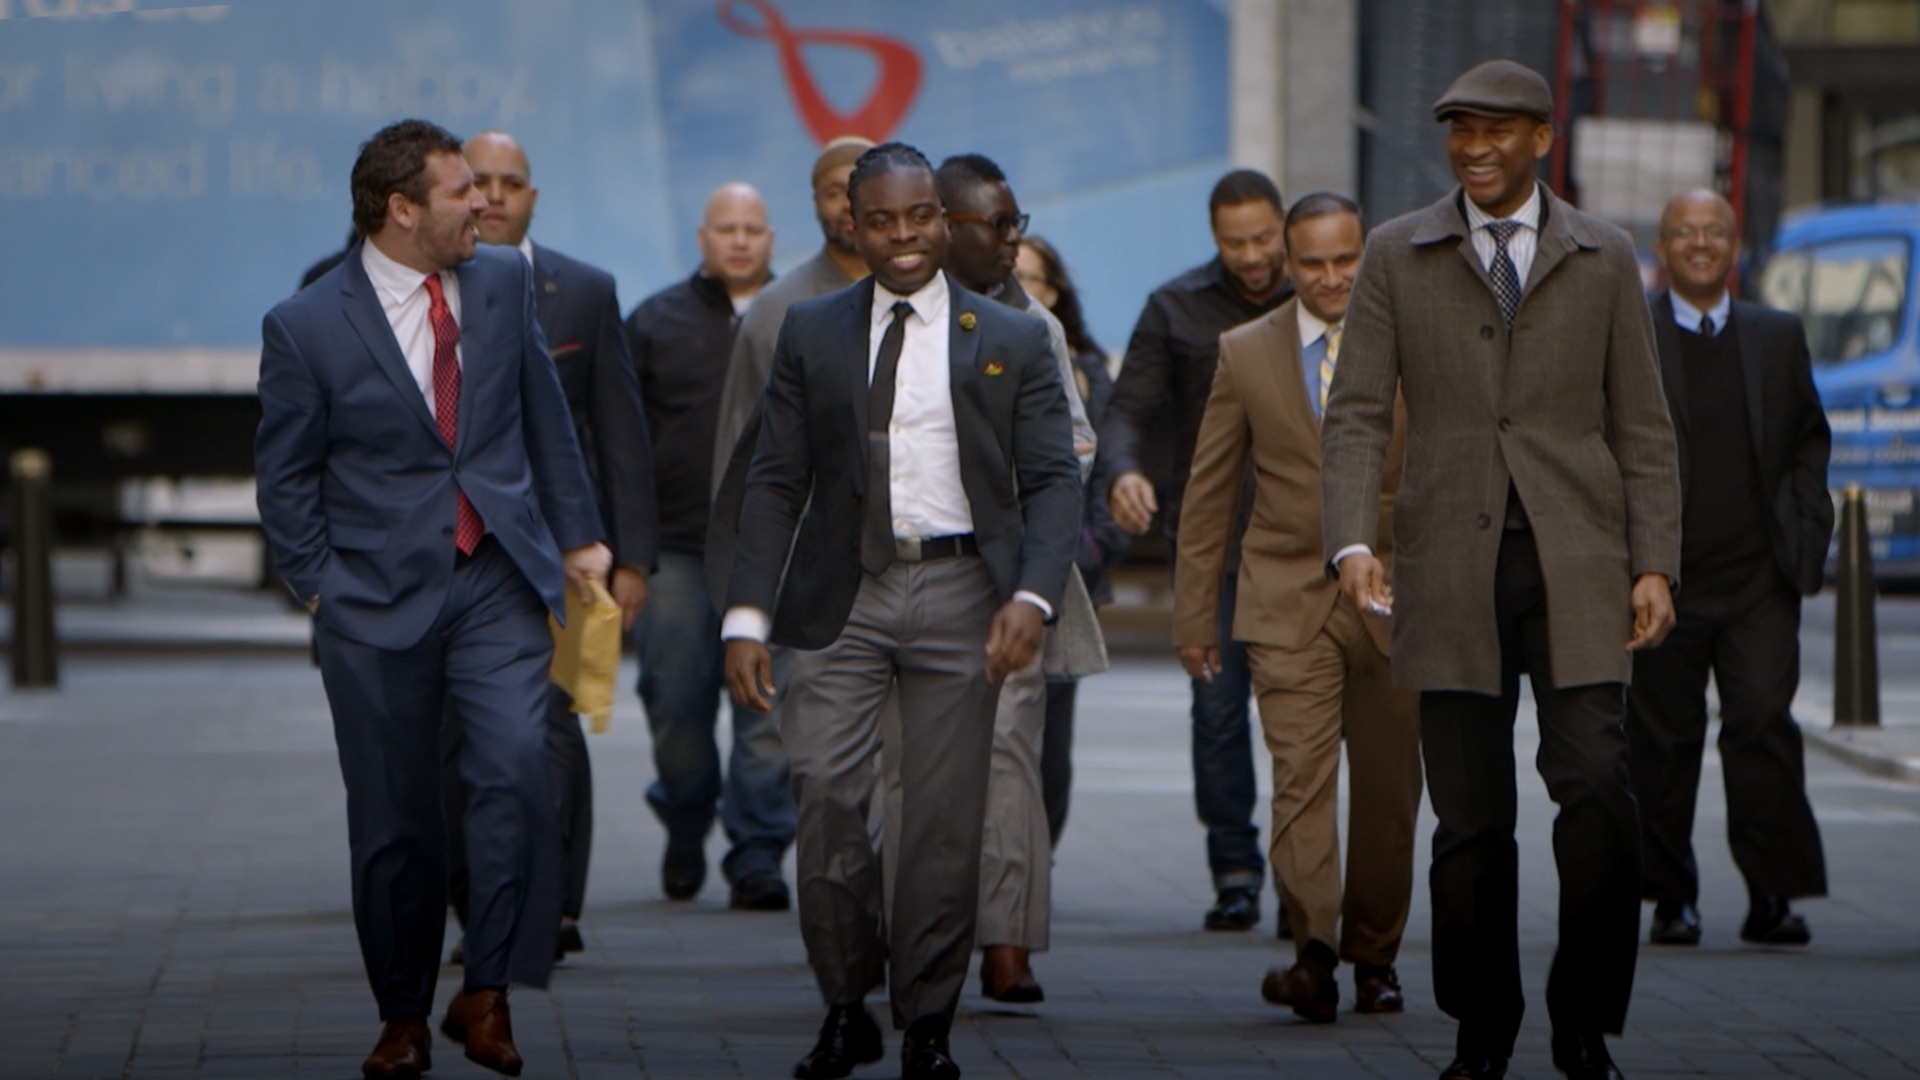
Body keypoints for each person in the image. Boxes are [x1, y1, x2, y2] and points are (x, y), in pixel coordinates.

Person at [1320, 59, 1681, 1080]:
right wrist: (1353, 541)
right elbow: (1354, 414)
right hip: (1446, 567)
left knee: (1600, 790)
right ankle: (1482, 1030)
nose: (1474, 148)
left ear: (1540, 140)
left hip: (1582, 564)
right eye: (1459, 131)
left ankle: (1584, 1022)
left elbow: (1644, 427)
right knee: (1470, 820)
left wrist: (1655, 562)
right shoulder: (1398, 251)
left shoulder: (1605, 255)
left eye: (1496, 131)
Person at [254, 118, 612, 1080]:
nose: (484, 204)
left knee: (514, 773)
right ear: (401, 209)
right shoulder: (307, 323)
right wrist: (321, 588)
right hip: (370, 602)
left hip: (495, 575)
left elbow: (546, 416)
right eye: (461, 193)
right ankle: (403, 1014)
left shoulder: (499, 284)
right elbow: (285, 476)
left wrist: (579, 539)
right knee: (394, 820)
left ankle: (486, 991)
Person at [720, 143, 1081, 1080]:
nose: (904, 237)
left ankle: (927, 1022)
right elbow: (772, 481)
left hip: (965, 592)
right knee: (828, 797)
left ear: (942, 216)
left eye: (919, 217)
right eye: (881, 220)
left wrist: (1032, 596)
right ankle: (847, 1004)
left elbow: (1051, 482)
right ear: (853, 222)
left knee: (942, 824)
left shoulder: (1011, 337)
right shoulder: (809, 330)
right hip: (844, 595)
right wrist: (746, 618)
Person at [1176, 193, 1423, 1022]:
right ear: (1287, 263)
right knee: (1300, 783)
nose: (1330, 278)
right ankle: (1316, 948)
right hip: (1282, 596)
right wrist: (1191, 616)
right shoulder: (1245, 351)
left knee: (1391, 794)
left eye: (1345, 259)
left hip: (1395, 596)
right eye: (1311, 263)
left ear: (1368, 254)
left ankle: (1374, 958)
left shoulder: (1412, 342)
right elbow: (1209, 492)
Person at [438, 129, 658, 964]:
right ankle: (478, 908)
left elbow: (617, 429)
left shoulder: (584, 291)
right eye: (477, 181)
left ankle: (555, 906)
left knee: (554, 730)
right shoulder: (423, 286)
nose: (492, 196)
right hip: (458, 555)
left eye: (511, 182)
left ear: (535, 196)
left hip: (564, 555)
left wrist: (629, 555)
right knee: (457, 740)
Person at [1629, 188, 1832, 949]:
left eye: (1715, 232)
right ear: (1664, 248)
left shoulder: (1776, 335)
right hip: (1662, 576)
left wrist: (1807, 535)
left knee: (1762, 726)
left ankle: (1772, 895)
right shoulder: (1634, 333)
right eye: (1685, 232)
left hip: (1758, 580)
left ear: (1735, 245)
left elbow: (1810, 441)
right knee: (1662, 739)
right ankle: (1669, 897)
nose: (1702, 244)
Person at [1100, 168, 1290, 933]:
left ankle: (1305, 873)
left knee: (1301, 720)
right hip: (1211, 550)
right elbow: (1128, 411)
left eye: (1263, 239)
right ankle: (1236, 869)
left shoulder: (1325, 294)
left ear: (1283, 226)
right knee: (1216, 711)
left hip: (1304, 546)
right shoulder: (1175, 308)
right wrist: (1124, 472)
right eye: (1234, 242)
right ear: (1215, 238)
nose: (1251, 256)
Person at [930, 152, 1100, 1004]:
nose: (1012, 239)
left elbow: (1076, 447)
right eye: (998, 225)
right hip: (903, 575)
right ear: (945, 226)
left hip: (1010, 580)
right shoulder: (885, 316)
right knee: (906, 768)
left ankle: (1006, 942)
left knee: (1008, 760)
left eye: (1016, 222)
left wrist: (1032, 563)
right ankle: (916, 934)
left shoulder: (1037, 326)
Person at [625, 181, 794, 908]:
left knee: (768, 714)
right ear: (701, 238)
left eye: (752, 228)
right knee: (677, 704)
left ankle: (757, 853)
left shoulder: (802, 317)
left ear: (771, 240)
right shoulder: (654, 322)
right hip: (678, 550)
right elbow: (621, 445)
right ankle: (686, 819)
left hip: (773, 552)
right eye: (724, 227)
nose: (738, 240)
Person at [1015, 234, 1129, 847]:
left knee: (1051, 731)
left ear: (1054, 291)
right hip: (991, 572)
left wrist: (1093, 546)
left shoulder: (1085, 370)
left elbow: (1108, 463)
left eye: (1033, 279)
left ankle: (1037, 854)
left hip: (1068, 578)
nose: (1020, 290)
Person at [710, 135, 874, 498]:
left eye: (858, 189)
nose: (848, 204)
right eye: (833, 193)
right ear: (815, 204)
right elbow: (743, 441)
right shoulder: (777, 308)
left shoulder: (931, 291)